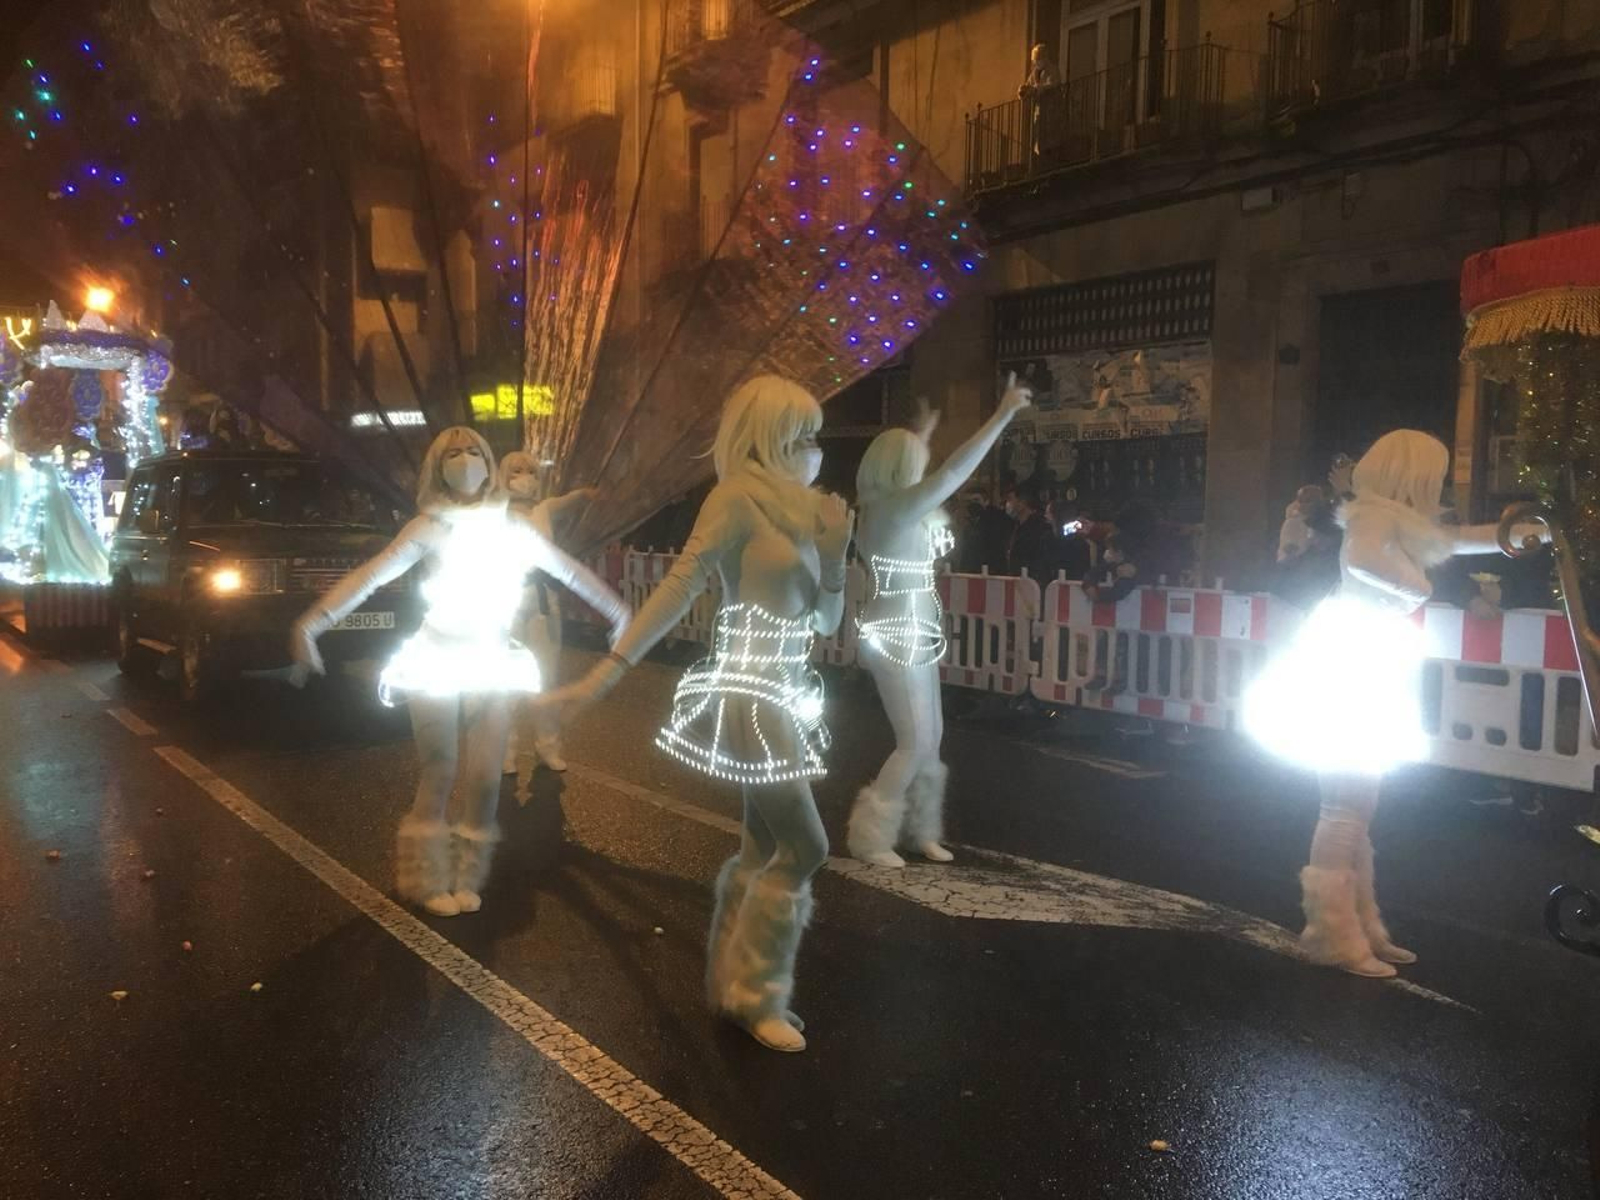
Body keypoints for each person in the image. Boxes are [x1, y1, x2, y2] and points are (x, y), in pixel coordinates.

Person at [534, 376, 854, 1053]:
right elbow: (681, 584)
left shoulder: (807, 512)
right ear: (768, 437)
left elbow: (826, 619)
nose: (814, 448)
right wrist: (604, 674)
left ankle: (735, 984)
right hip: (749, 689)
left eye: (816, 436)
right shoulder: (737, 497)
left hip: (792, 692)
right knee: (806, 846)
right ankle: (754, 991)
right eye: (801, 436)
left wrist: (832, 555)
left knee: (762, 845)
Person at [1243, 431, 1548, 977]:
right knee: (1346, 806)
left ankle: (1354, 926)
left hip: (1359, 654)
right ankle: (1336, 935)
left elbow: (1450, 540)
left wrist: (1515, 535)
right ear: (1416, 475)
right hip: (1355, 659)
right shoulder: (1375, 518)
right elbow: (1363, 558)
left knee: (1353, 807)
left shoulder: (1388, 516)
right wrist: (1415, 590)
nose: (1442, 483)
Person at [289, 427, 627, 918]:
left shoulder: (513, 528)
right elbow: (373, 574)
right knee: (441, 768)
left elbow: (568, 570)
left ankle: (468, 873)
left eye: (475, 451)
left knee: (488, 778)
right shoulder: (428, 527)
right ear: (437, 466)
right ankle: (424, 879)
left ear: (490, 464)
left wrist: (618, 611)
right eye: (454, 453)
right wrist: (314, 621)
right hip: (437, 658)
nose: (466, 460)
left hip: (492, 658)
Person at [847, 374, 1033, 868]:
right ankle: (870, 838)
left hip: (916, 633)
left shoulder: (890, 507)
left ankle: (919, 829)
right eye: (916, 461)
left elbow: (936, 473)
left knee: (932, 737)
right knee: (913, 740)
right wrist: (1001, 415)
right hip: (897, 637)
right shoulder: (892, 511)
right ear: (901, 468)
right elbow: (953, 474)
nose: (924, 468)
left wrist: (922, 435)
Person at [499, 451, 612, 775]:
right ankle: (504, 750)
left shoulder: (543, 509)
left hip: (544, 600)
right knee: (505, 678)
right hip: (506, 600)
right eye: (516, 470)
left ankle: (547, 747)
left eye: (531, 471)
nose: (524, 476)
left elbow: (567, 501)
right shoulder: (494, 513)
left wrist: (587, 494)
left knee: (545, 677)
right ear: (502, 476)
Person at [1003, 484, 1054, 582]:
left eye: (1010, 499)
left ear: (1022, 502)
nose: (1007, 504)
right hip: (1017, 581)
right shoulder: (1014, 526)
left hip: (1032, 583)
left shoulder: (1039, 528)